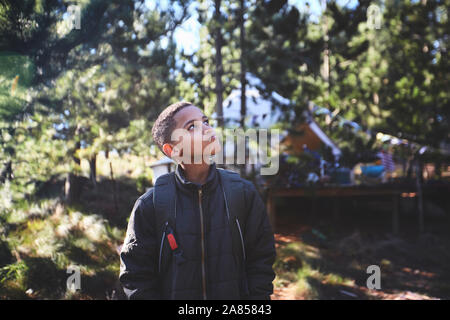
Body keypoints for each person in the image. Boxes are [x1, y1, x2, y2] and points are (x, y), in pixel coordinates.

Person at [119, 101, 276, 300]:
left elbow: (261, 260)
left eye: (206, 121)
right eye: (192, 127)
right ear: (171, 150)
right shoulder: (150, 205)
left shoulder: (243, 193)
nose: (207, 129)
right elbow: (136, 276)